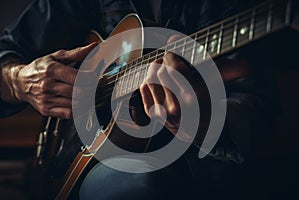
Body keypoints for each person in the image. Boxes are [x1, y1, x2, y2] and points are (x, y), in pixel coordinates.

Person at [0, 0, 279, 199]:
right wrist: (16, 80)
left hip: (206, 176)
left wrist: (206, 123)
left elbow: (262, 110)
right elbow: (7, 53)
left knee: (137, 184)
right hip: (72, 163)